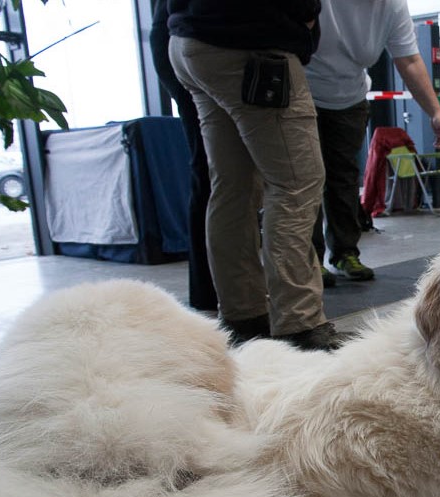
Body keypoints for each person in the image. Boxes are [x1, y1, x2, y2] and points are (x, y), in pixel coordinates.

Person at [167, 1, 347, 351]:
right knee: (296, 185)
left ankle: (242, 316)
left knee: (231, 185)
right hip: (251, 43)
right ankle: (300, 324)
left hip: (192, 42)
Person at [305, 0, 440, 286]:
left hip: (349, 99)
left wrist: (436, 113)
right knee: (306, 178)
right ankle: (309, 259)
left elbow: (409, 60)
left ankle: (344, 253)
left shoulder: (392, 6)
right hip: (303, 92)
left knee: (344, 178)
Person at [149, 0, 217, 313]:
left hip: (192, 40)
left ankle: (223, 291)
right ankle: (209, 290)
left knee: (217, 175)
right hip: (195, 41)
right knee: (209, 172)